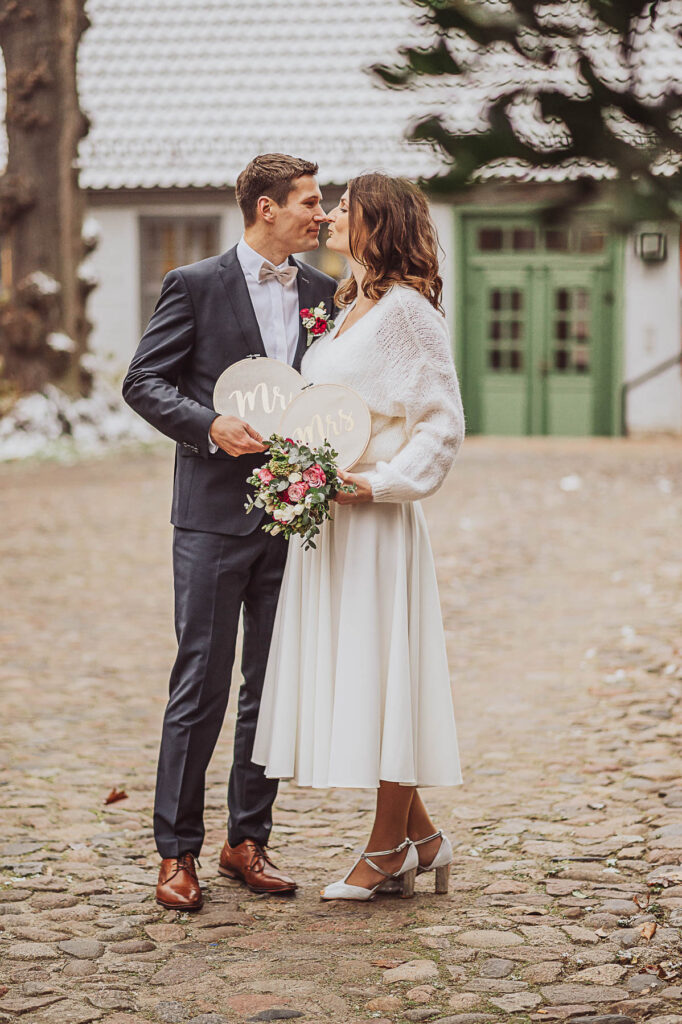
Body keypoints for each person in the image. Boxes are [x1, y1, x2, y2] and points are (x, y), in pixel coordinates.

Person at [122, 153, 337, 910]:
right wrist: (209, 424)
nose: (323, 215)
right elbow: (142, 381)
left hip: (294, 517)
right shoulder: (195, 285)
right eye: (311, 203)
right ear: (267, 208)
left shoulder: (322, 291)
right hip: (212, 518)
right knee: (201, 686)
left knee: (270, 689)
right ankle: (174, 853)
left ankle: (247, 840)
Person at [252, 172, 465, 901]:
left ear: (383, 224)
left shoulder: (406, 312)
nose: (334, 215)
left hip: (375, 519)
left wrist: (378, 482)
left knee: (383, 680)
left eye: (349, 209)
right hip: (332, 520)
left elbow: (441, 422)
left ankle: (384, 850)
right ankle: (425, 838)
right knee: (364, 675)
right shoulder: (346, 304)